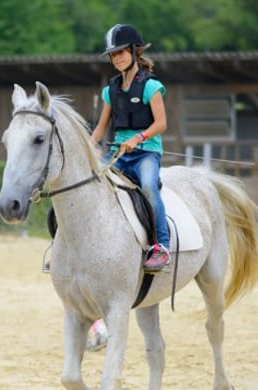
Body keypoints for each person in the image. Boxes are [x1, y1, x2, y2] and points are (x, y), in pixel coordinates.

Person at [91, 23, 170, 272]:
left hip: (146, 153)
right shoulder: (109, 91)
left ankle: (161, 246)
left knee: (148, 185)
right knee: (90, 182)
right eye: (113, 54)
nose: (117, 58)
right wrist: (88, 148)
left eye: (121, 52)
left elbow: (161, 124)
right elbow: (101, 128)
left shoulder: (150, 86)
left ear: (135, 51)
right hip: (119, 155)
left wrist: (138, 138)